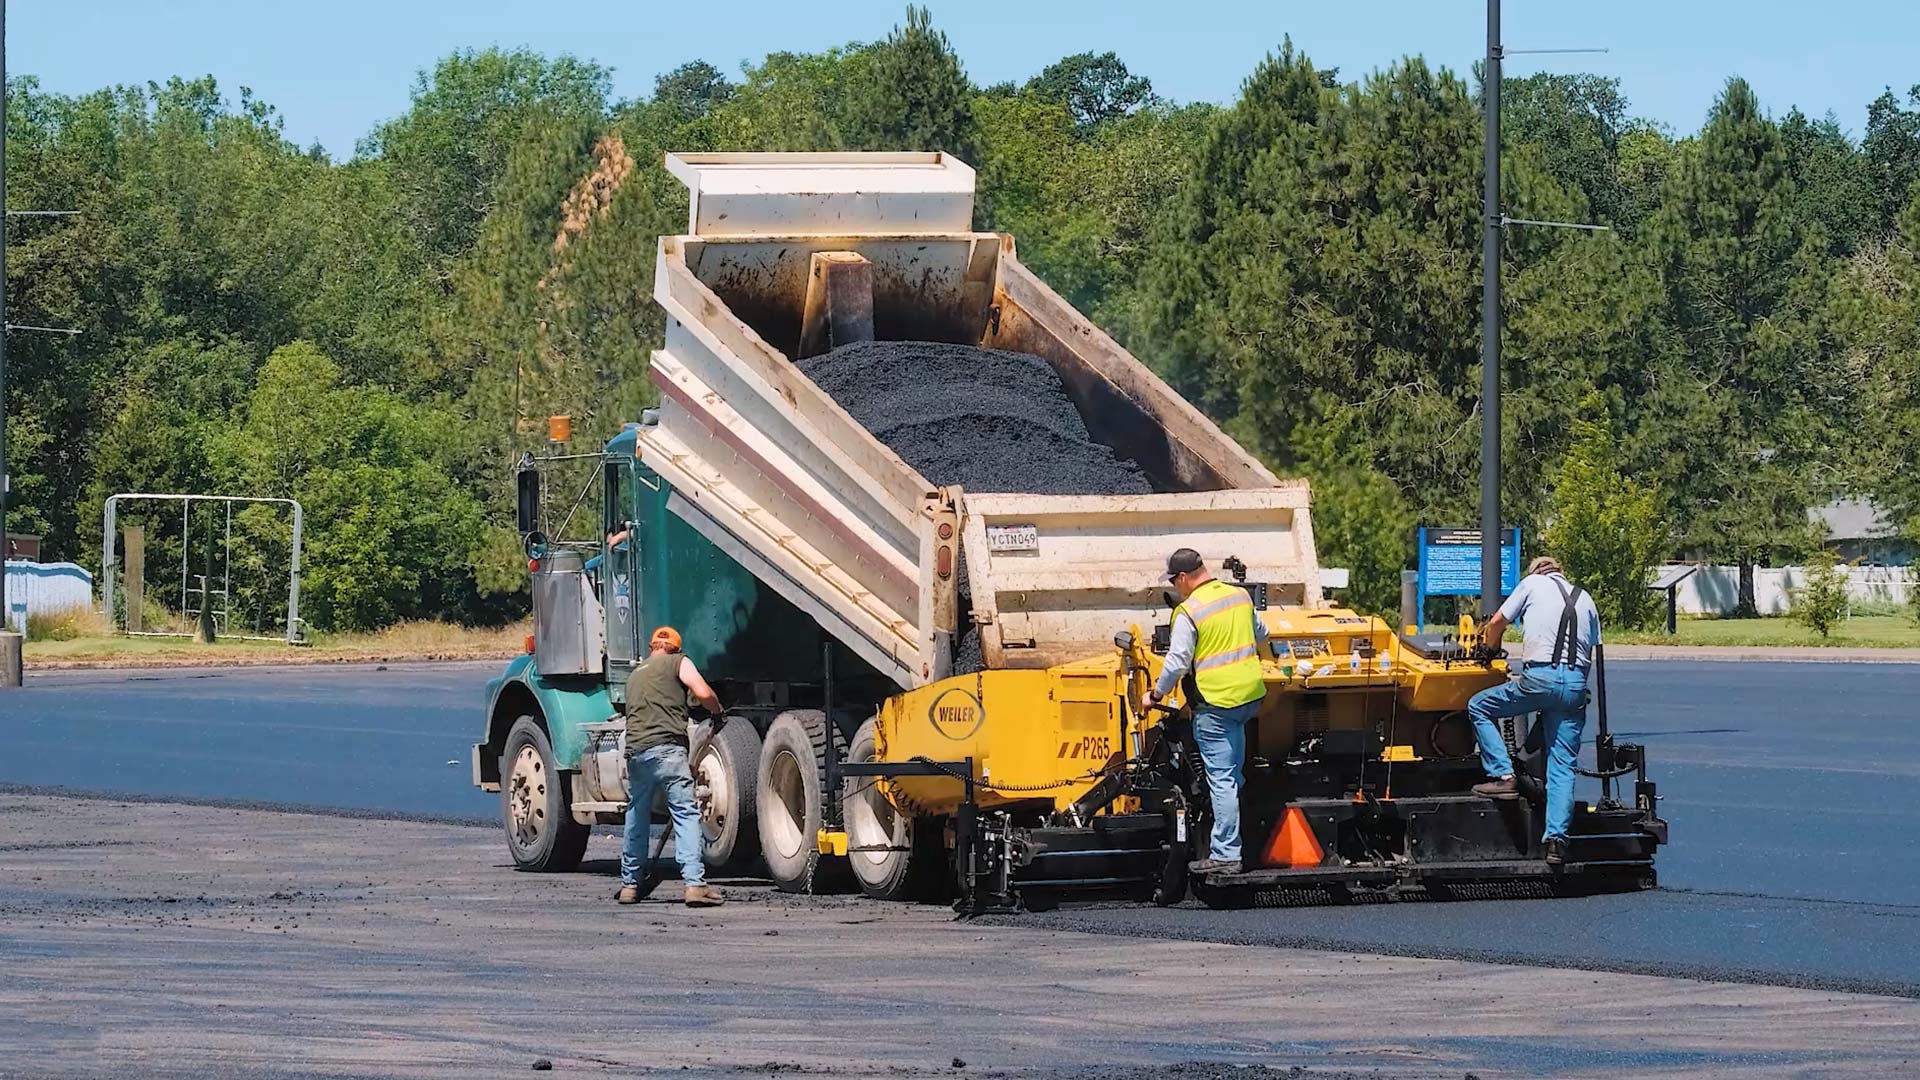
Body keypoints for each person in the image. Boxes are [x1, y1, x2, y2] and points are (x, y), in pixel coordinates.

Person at [1139, 548, 1270, 875]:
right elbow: (1263, 634)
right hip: (1249, 698)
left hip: (1216, 703)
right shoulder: (1239, 596)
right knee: (1234, 775)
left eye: (1174, 581)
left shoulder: (1189, 611)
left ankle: (1226, 855)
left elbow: (1178, 661)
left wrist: (1155, 694)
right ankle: (1235, 836)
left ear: (1183, 578)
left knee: (1222, 780)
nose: (1175, 587)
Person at [1466, 556, 1601, 866]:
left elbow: (1498, 621)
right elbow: (1590, 653)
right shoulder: (1586, 598)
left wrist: (1488, 650)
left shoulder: (1531, 585)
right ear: (1561, 572)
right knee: (1562, 766)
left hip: (1539, 679)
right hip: (1575, 686)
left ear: (1535, 572)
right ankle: (1556, 842)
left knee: (1480, 706)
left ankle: (1503, 775)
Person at [618, 626, 727, 907]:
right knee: (685, 813)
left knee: (636, 816)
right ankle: (694, 884)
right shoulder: (678, 662)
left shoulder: (635, 675)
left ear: (652, 647)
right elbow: (701, 691)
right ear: (675, 648)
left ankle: (630, 885)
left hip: (637, 752)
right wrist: (716, 711)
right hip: (668, 749)